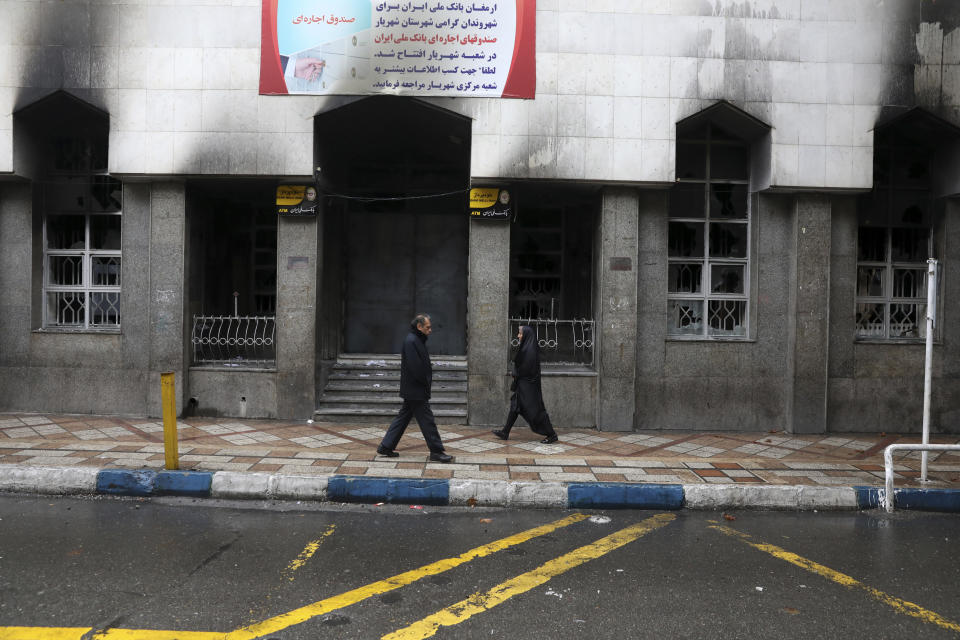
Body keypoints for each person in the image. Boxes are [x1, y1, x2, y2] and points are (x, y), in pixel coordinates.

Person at [377, 314, 454, 462]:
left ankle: (386, 446)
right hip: (416, 390)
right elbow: (415, 367)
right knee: (427, 421)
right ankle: (436, 451)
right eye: (427, 327)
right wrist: (425, 382)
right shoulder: (411, 341)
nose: (430, 330)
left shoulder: (416, 340)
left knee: (403, 418)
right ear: (419, 327)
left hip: (414, 389)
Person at [492, 326, 559, 444]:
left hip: (529, 388)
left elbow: (526, 369)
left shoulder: (530, 351)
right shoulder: (526, 348)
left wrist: (516, 373)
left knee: (535, 411)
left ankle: (551, 434)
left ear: (527, 335)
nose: (518, 336)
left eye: (520, 334)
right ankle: (505, 432)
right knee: (515, 406)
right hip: (523, 386)